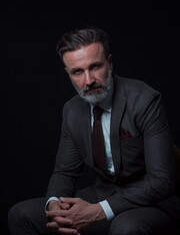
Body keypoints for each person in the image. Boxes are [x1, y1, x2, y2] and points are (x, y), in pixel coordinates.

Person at [8, 26, 180, 235]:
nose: (88, 81)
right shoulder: (71, 110)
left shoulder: (145, 100)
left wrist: (99, 210)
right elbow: (65, 172)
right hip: (103, 194)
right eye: (77, 72)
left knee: (126, 228)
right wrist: (54, 205)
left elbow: (161, 182)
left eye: (95, 66)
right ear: (68, 73)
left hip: (152, 202)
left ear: (109, 62)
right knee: (21, 214)